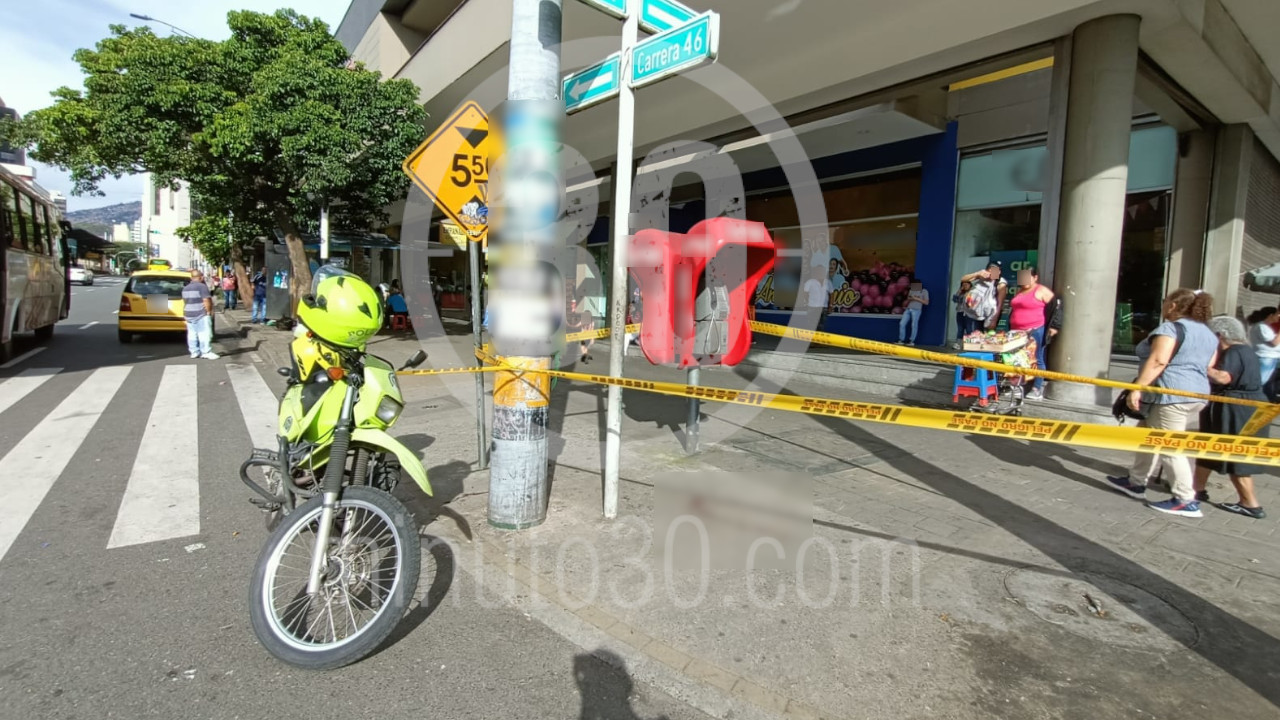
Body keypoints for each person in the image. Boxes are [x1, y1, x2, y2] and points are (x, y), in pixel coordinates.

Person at [1106, 288, 1218, 518]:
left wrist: (1137, 389)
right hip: (1196, 394)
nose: (1164, 305)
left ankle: (1185, 499)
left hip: (1170, 395)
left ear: (1174, 305)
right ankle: (1136, 481)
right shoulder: (1208, 333)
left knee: (1170, 446)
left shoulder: (1170, 329)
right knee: (1147, 434)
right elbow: (1209, 364)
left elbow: (1158, 360)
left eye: (1166, 301)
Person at [1191, 316, 1268, 519]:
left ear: (1219, 336)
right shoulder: (1246, 350)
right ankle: (1196, 488)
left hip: (1237, 408)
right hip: (1239, 405)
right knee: (1209, 447)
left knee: (1235, 453)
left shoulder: (1234, 351)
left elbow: (1224, 377)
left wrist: (1199, 365)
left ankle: (1250, 503)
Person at [1008, 267, 1055, 400]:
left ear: (1035, 278)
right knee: (1017, 358)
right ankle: (1018, 386)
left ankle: (1037, 389)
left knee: (1037, 358)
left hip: (1035, 330)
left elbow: (1056, 308)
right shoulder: (1020, 291)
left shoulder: (1041, 290)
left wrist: (1054, 327)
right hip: (1016, 331)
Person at [958, 262, 1008, 336]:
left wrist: (994, 320)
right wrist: (977, 274)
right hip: (976, 313)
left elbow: (1000, 304)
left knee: (989, 335)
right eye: (991, 270)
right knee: (976, 335)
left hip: (991, 315)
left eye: (997, 270)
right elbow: (963, 279)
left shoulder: (1001, 283)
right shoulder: (981, 277)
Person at [183, 269, 219, 360]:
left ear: (191, 278)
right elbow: (206, 300)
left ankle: (194, 352)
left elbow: (185, 301)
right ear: (201, 277)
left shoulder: (185, 288)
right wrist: (208, 312)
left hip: (188, 313)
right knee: (204, 333)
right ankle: (206, 352)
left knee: (192, 334)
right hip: (200, 313)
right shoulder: (202, 286)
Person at [1245, 306, 1280, 385]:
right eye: (1277, 314)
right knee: (1260, 381)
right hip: (1266, 357)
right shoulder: (1261, 327)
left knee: (1268, 383)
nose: (1278, 316)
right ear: (1270, 315)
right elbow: (1275, 342)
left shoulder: (1265, 327)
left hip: (1272, 357)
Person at [897, 280, 929, 346]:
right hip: (908, 309)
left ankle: (911, 341)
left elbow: (926, 302)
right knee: (902, 323)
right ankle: (901, 339)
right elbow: (908, 298)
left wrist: (916, 298)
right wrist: (911, 298)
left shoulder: (924, 291)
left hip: (916, 310)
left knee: (914, 325)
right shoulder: (912, 290)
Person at [950, 280, 971, 349]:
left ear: (970, 285)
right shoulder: (961, 293)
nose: (965, 286)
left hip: (968, 313)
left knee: (969, 329)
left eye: (966, 285)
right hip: (960, 312)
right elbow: (954, 299)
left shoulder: (972, 292)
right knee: (960, 329)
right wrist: (959, 291)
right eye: (963, 285)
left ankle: (969, 345)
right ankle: (958, 344)